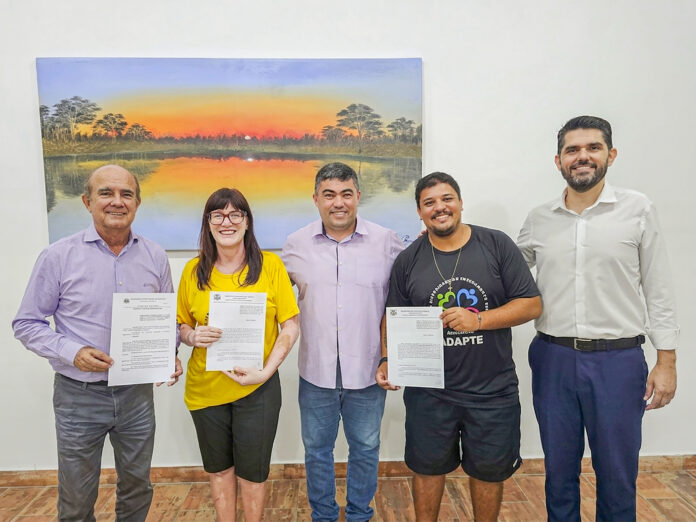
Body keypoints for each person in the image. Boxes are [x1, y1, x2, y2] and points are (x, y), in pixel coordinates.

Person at [517, 115, 679, 521]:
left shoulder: (638, 209)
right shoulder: (539, 219)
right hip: (553, 359)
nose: (582, 156)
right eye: (572, 150)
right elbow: (505, 272)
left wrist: (667, 360)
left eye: (593, 147)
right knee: (558, 472)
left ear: (611, 154)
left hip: (618, 362)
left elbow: (658, 288)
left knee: (617, 474)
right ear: (558, 160)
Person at [13, 164, 183, 521]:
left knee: (138, 486)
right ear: (87, 201)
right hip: (79, 397)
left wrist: (169, 353)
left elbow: (165, 319)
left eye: (126, 194)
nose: (117, 201)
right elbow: (26, 323)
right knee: (77, 496)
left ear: (137, 203)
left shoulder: (154, 256)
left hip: (136, 395)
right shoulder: (58, 256)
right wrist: (72, 352)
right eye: (106, 193)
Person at [377, 171, 542, 521]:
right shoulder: (408, 260)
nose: (440, 207)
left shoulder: (496, 245)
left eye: (447, 198)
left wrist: (478, 320)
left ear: (461, 203)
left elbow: (531, 304)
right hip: (429, 393)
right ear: (419, 212)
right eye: (429, 202)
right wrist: (388, 358)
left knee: (489, 472)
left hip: (492, 391)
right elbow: (393, 316)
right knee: (426, 469)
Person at [281, 162, 404, 521]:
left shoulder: (387, 242)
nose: (339, 203)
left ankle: (359, 514)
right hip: (315, 370)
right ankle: (323, 515)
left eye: (346, 194)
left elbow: (406, 296)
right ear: (316, 199)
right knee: (316, 450)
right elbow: (272, 300)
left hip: (368, 370)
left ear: (358, 196)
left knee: (365, 448)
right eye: (329, 194)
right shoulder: (295, 245)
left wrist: (396, 355)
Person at [177, 187, 299, 522]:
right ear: (208, 222)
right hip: (205, 390)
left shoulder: (270, 266)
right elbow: (181, 325)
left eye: (235, 214)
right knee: (219, 470)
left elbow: (290, 325)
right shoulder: (192, 271)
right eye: (218, 215)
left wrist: (266, 372)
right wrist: (192, 336)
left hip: (258, 388)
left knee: (253, 474)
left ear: (247, 221)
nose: (226, 222)